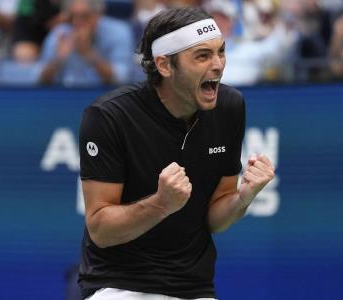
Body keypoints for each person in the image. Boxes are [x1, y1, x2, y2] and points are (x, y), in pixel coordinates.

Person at [78, 6, 275, 300]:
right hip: (119, 284)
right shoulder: (108, 116)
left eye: (220, 52)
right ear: (165, 66)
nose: (219, 65)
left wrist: (242, 198)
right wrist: (161, 204)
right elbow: (101, 230)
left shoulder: (230, 106)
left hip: (194, 287)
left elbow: (215, 218)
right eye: (202, 56)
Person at [39, 0, 134, 86]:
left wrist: (89, 54)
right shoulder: (60, 33)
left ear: (98, 15)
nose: (77, 22)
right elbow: (40, 79)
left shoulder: (118, 31)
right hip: (66, 98)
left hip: (105, 98)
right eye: (72, 16)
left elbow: (122, 78)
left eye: (84, 16)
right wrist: (58, 60)